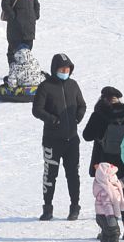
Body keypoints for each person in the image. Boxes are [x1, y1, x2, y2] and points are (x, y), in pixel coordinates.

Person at [32, 53, 87, 221]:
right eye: (62, 69)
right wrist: (53, 120)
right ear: (55, 69)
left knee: (73, 174)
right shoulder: (45, 87)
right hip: (52, 140)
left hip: (72, 140)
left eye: (68, 69)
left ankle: (74, 206)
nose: (65, 71)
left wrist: (78, 117)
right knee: (50, 174)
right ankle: (47, 208)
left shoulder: (73, 85)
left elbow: (82, 105)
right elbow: (37, 110)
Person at [82, 86, 124, 239]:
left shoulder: (98, 114)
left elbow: (87, 135)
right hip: (123, 162)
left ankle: (108, 230)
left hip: (102, 164)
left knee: (105, 197)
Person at [0, 0, 40, 71]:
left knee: (27, 51)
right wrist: (13, 15)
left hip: (29, 27)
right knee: (13, 51)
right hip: (15, 27)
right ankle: (13, 72)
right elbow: (5, 4)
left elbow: (36, 3)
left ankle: (25, 73)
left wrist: (36, 14)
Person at [93, 162, 124, 242]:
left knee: (106, 232)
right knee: (115, 232)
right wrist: (110, 217)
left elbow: (119, 184)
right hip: (106, 215)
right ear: (105, 177)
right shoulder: (105, 191)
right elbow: (107, 205)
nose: (115, 177)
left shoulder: (111, 185)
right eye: (112, 175)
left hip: (105, 216)